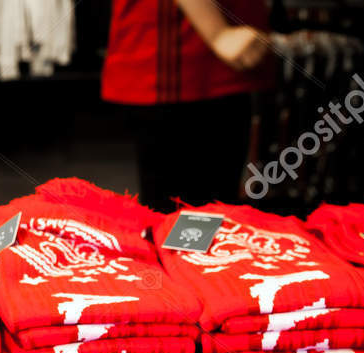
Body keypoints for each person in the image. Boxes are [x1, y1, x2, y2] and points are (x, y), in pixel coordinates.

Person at [102, 0, 272, 211]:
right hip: (185, 63)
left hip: (205, 65)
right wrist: (219, 34)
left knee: (210, 215)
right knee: (189, 216)